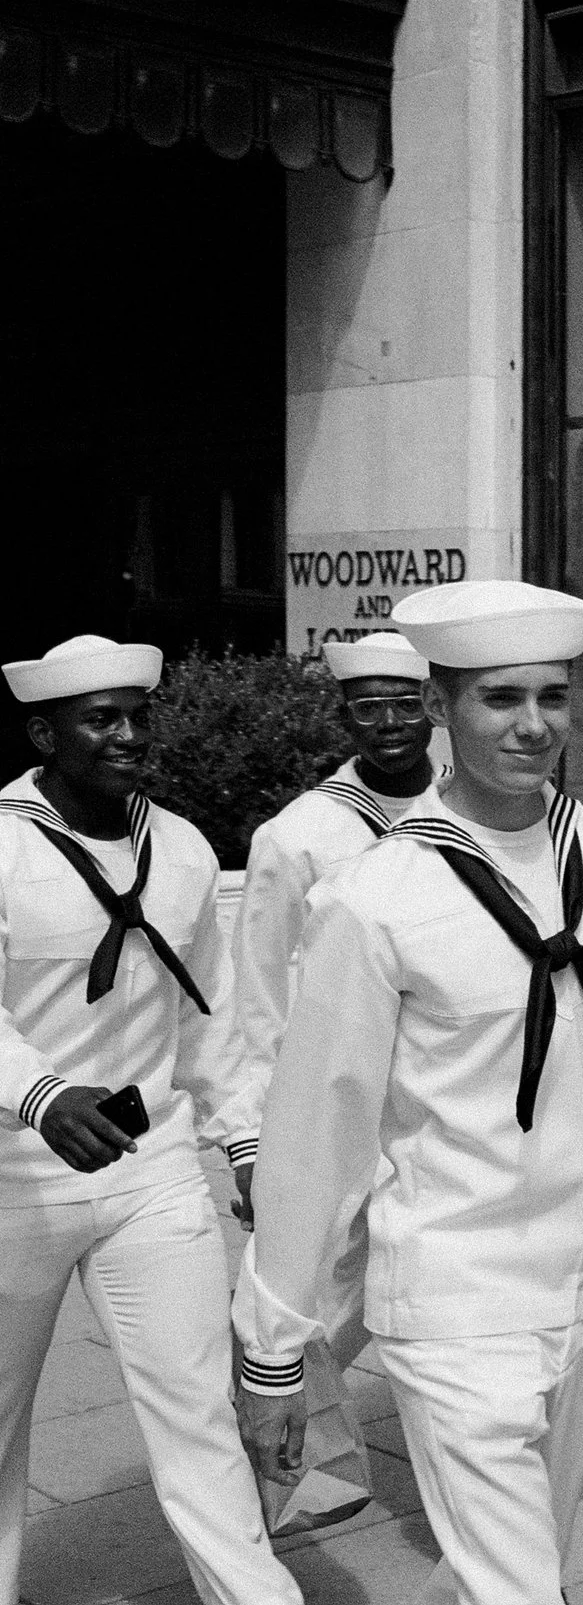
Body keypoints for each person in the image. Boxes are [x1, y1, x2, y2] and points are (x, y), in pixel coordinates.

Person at [230, 581, 583, 1605]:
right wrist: (273, 1347)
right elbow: (318, 1134)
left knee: (502, 1573)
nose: (532, 724)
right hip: (452, 1297)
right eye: (500, 698)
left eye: (552, 698)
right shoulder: (378, 896)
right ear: (442, 708)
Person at [0, 636, 302, 1605]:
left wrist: (243, 1138)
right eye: (102, 718)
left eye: (138, 713)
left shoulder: (181, 844)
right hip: (14, 1181)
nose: (129, 734)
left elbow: (207, 1011)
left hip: (153, 1166)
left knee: (200, 1417)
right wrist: (40, 1094)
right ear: (47, 732)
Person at [214, 631, 437, 1367]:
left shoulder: (471, 813)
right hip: (336, 1096)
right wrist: (252, 1136)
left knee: (416, 1279)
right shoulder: (299, 833)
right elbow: (256, 991)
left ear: (433, 708)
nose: (391, 722)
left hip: (441, 1091)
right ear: (344, 718)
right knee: (309, 1287)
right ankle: (272, 1421)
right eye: (370, 708)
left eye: (406, 704)